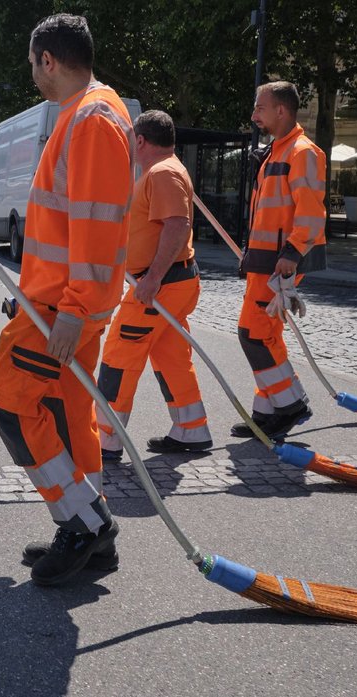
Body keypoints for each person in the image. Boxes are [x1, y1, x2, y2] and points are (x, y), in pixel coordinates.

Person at [0, 13, 133, 586]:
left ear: (49, 59)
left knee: (12, 406)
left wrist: (69, 309)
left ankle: (82, 524)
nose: (32, 74)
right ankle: (92, 533)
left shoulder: (92, 119)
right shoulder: (89, 113)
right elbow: (70, 227)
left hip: (63, 309)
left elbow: (95, 229)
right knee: (71, 415)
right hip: (55, 301)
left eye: (32, 64)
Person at [94, 110, 211, 463]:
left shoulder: (162, 173)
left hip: (160, 285)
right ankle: (191, 428)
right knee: (171, 355)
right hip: (169, 283)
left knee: (118, 354)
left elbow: (177, 225)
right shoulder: (165, 171)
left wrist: (153, 278)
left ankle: (105, 439)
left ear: (141, 141)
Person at [230, 81, 326, 443]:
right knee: (262, 333)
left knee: (254, 334)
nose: (254, 116)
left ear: (281, 111)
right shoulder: (277, 152)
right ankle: (267, 412)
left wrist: (291, 254)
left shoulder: (302, 152)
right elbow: (267, 213)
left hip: (282, 260)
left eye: (260, 108)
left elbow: (311, 211)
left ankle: (289, 404)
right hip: (267, 259)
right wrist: (251, 254)